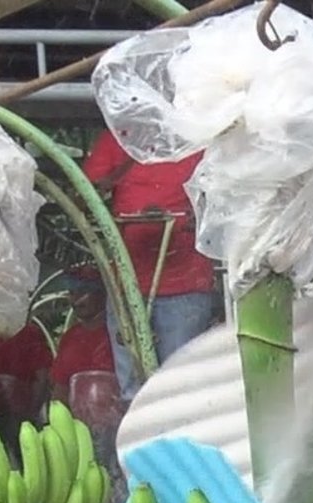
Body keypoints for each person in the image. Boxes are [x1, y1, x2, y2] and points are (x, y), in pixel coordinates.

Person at [81, 128, 219, 393]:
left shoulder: (197, 136)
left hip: (186, 284)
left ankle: (175, 431)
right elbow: (86, 193)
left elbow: (222, 193)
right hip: (127, 284)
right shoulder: (119, 137)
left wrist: (198, 216)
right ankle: (139, 430)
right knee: (132, 384)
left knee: (178, 383)